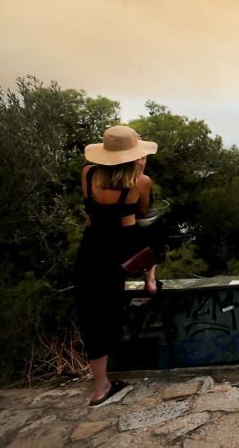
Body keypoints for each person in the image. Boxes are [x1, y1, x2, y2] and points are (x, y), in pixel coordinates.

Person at [76, 125, 157, 406]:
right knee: (109, 312)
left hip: (89, 249)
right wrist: (139, 170)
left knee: (91, 314)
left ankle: (101, 387)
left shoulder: (87, 174)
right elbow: (143, 210)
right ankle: (151, 277)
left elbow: (93, 210)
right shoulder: (140, 182)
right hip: (119, 250)